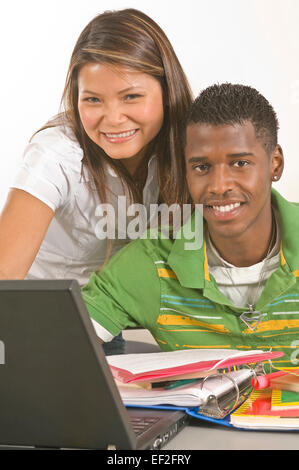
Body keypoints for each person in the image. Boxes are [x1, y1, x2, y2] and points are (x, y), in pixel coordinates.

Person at [0, 9, 193, 355]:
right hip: (27, 326)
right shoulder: (57, 154)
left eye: (131, 96)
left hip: (104, 323)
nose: (113, 118)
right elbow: (3, 277)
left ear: (166, 91)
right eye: (93, 99)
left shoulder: (189, 150)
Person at [81, 83, 299, 368]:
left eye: (240, 163)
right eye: (202, 167)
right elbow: (56, 348)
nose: (219, 186)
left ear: (275, 164)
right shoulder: (152, 262)